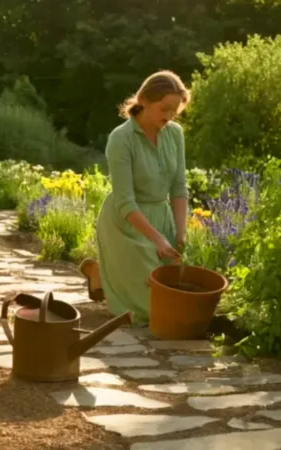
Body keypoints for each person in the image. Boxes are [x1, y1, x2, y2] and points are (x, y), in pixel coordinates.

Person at [79, 70, 190, 327]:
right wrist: (157, 240)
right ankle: (108, 273)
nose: (170, 116)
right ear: (144, 100)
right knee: (155, 311)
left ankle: (100, 273)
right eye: (165, 109)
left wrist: (180, 233)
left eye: (175, 111)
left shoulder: (175, 134)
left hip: (161, 218)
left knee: (178, 289)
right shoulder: (121, 138)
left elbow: (179, 187)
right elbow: (125, 200)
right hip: (126, 223)